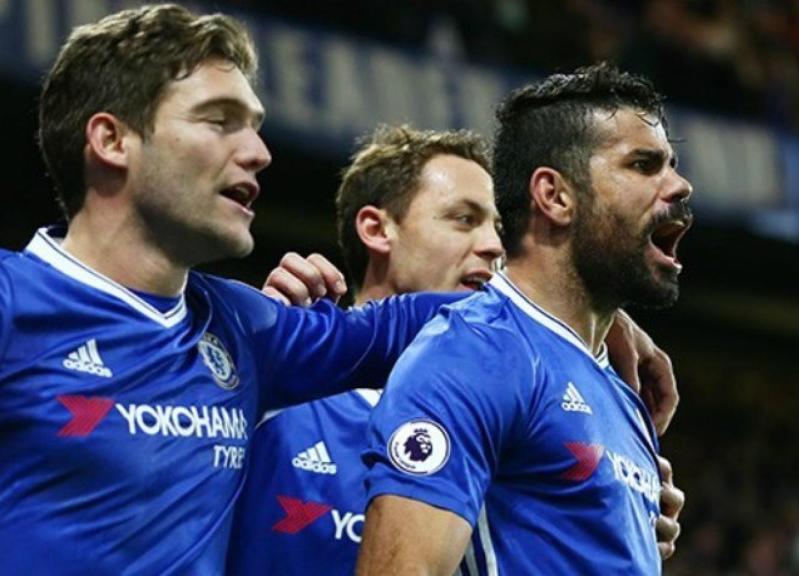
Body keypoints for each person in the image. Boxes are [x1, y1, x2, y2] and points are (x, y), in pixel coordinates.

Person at [0, 6, 462, 573]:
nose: (258, 153)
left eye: (256, 125)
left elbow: (406, 327)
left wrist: (577, 296)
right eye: (220, 121)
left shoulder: (243, 325)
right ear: (111, 140)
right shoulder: (13, 302)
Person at [228, 125, 685, 574]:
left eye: (498, 228)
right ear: (376, 228)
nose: (492, 246)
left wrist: (616, 505)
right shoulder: (276, 386)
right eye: (463, 219)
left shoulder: (523, 414)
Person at [357, 63, 694, 575]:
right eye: (644, 166)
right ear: (555, 196)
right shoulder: (474, 353)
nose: (679, 185)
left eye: (671, 165)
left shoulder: (621, 386)